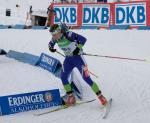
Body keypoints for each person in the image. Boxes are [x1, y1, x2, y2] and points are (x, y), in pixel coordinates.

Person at [48, 24, 108, 106]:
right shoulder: (55, 39)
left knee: (87, 79)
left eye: (54, 34)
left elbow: (83, 39)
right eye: (52, 35)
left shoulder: (69, 34)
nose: (53, 37)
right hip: (68, 60)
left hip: (78, 59)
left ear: (59, 32)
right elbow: (50, 44)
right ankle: (71, 97)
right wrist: (51, 48)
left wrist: (78, 48)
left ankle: (101, 97)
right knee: (63, 77)